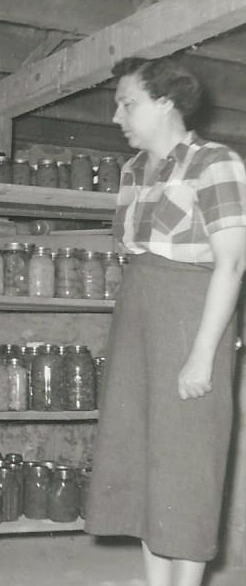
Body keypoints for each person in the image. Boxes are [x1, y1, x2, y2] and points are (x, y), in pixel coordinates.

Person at [85, 57, 246, 586]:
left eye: (127, 103)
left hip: (190, 315)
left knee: (188, 457)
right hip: (139, 313)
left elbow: (233, 262)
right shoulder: (133, 173)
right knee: (141, 450)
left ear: (166, 102)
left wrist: (203, 354)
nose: (117, 116)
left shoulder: (214, 162)